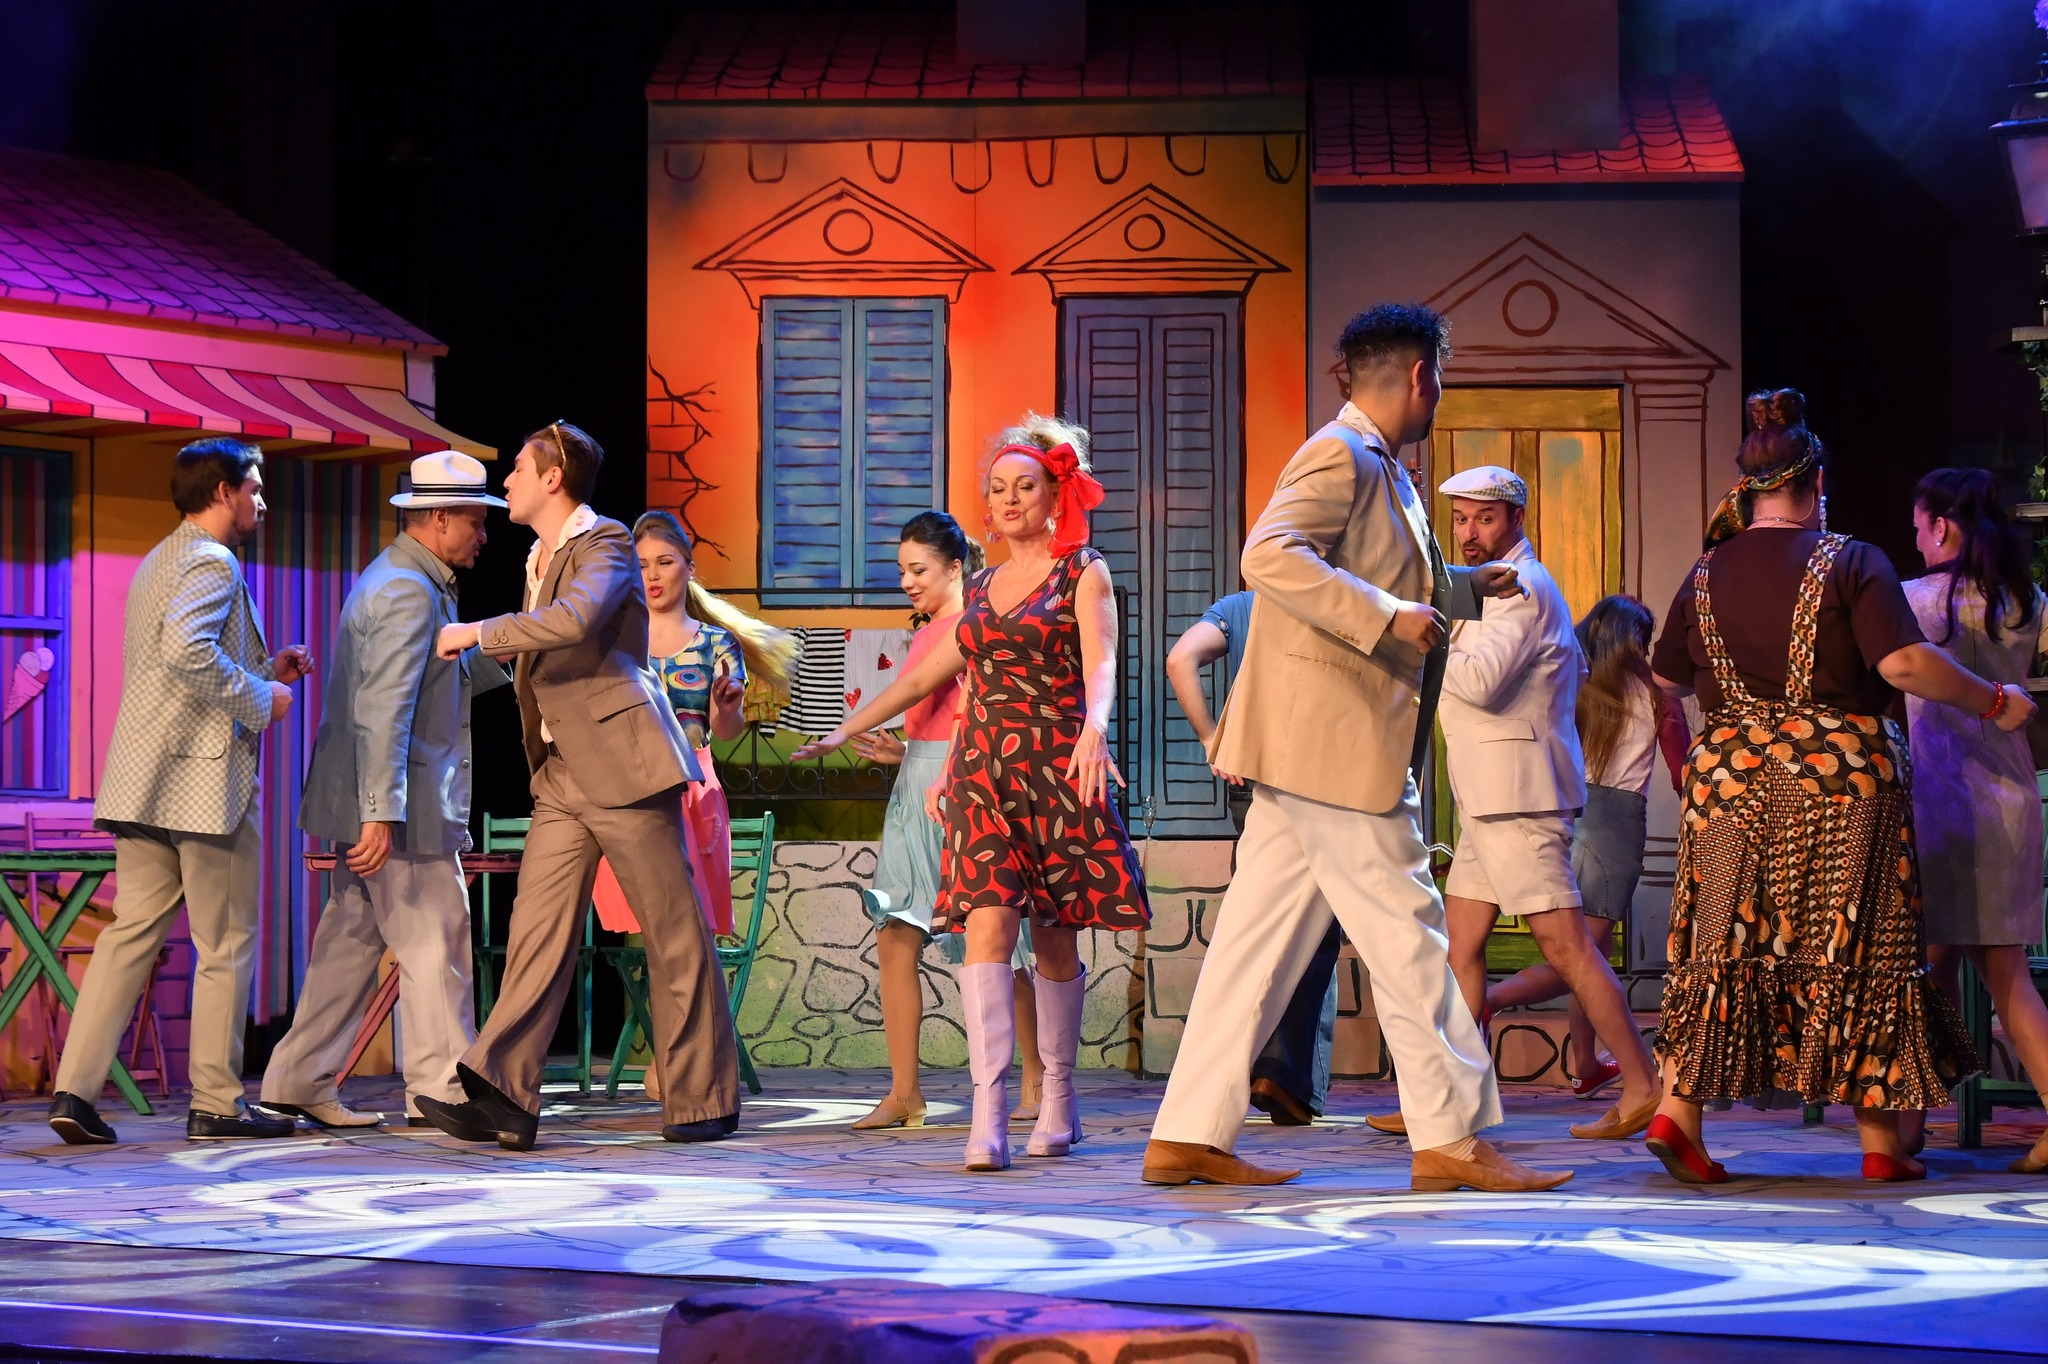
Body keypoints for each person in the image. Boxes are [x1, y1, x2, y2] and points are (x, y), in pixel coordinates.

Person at [1140, 304, 1571, 1194]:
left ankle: (1185, 1132)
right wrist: (1386, 615)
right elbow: (1269, 555)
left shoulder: (1381, 465)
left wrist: (1458, 586)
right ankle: (1450, 1139)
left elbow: (1377, 571)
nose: (1439, 394)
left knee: (1252, 951)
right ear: (1419, 375)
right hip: (1337, 750)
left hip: (1312, 752)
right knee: (1412, 937)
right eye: (1439, 379)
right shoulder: (1338, 454)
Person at [1647, 390, 2024, 1185]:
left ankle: (1678, 1112)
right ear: (1817, 483)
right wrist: (1994, 700)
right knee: (1858, 945)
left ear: (1750, 489)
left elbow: (1666, 678)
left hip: (1728, 781)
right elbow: (1904, 664)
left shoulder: (1705, 571)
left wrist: (1717, 732)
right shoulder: (1851, 560)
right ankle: (1880, 1144)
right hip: (1837, 780)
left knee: (1720, 945)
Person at [795, 414, 1151, 1171]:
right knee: (985, 930)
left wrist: (1095, 727)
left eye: (1026, 486)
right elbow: (935, 681)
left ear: (1055, 495)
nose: (1010, 499)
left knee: (1052, 940)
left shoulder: (1081, 571)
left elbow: (1102, 662)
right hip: (984, 778)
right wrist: (845, 729)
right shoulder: (982, 589)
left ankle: (1057, 1098)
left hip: (1056, 772)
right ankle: (987, 1116)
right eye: (998, 489)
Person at [419, 421, 739, 1151]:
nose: (506, 483)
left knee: (673, 932)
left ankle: (702, 1097)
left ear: (553, 478)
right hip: (563, 771)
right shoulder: (540, 555)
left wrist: (476, 632)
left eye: (517, 470)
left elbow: (574, 621)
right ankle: (506, 1093)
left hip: (624, 763)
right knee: (536, 931)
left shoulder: (606, 542)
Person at [48, 438, 311, 1145]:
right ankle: (218, 1103)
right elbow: (187, 651)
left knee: (129, 936)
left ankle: (74, 1090)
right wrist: (260, 697)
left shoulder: (162, 558)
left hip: (145, 781)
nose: (262, 502)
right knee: (225, 942)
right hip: (201, 785)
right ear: (223, 491)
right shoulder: (212, 560)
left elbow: (179, 665)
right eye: (254, 488)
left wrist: (268, 668)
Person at [258, 452, 509, 1129]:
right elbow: (384, 711)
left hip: (378, 799)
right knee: (437, 938)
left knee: (349, 943)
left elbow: (426, 682)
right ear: (439, 518)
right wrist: (381, 814)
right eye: (476, 521)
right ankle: (443, 1088)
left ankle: (296, 1078)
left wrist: (504, 650)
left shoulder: (410, 580)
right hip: (402, 806)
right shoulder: (406, 591)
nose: (484, 535)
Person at [1431, 468, 1662, 1143]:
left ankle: (1644, 1086)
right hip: (1488, 796)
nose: (1470, 533)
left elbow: (1478, 681)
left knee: (1568, 947)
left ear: (1516, 518)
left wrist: (1424, 638)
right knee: (1461, 945)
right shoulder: (1484, 588)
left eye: (1485, 519)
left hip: (1518, 800)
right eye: (1462, 519)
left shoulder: (1521, 589)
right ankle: (1453, 1100)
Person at [846, 512, 1050, 1131]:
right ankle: (904, 1091)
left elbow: (979, 714)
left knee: (998, 942)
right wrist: (905, 752)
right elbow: (928, 713)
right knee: (894, 934)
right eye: (902, 571)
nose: (907, 581)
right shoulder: (927, 632)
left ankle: (1036, 1075)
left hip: (967, 785)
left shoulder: (976, 625)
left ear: (955, 566)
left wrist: (929, 760)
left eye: (919, 570)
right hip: (916, 788)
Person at [589, 510, 794, 1103]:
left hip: (691, 789)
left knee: (688, 931)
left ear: (688, 567)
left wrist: (727, 708)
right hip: (630, 789)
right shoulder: (617, 636)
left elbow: (725, 732)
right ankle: (672, 1055)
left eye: (664, 562)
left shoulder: (714, 644)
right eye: (642, 565)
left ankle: (680, 1060)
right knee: (650, 932)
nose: (653, 576)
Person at [1899, 468, 2048, 1176]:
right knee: (1982, 970)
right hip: (2012, 799)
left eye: (1919, 526)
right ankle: (1903, 1129)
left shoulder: (1914, 601)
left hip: (1942, 801)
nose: (1915, 539)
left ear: (1942, 526)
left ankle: (1900, 1129)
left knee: (1943, 970)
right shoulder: (2025, 600)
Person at [1486, 595, 1676, 1101]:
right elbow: (1683, 771)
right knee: (1581, 957)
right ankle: (1487, 1002)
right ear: (1632, 640)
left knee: (1588, 952)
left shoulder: (1570, 685)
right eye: (1644, 639)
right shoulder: (1655, 693)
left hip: (1567, 813)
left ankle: (1585, 1064)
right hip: (1614, 827)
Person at [1166, 591, 1342, 1127]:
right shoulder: (1330, 600)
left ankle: (1235, 1079)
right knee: (1315, 931)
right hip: (1323, 776)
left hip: (1253, 776)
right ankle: (1286, 1075)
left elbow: (1179, 658)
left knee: (1254, 927)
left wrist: (1211, 738)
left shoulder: (1240, 607)